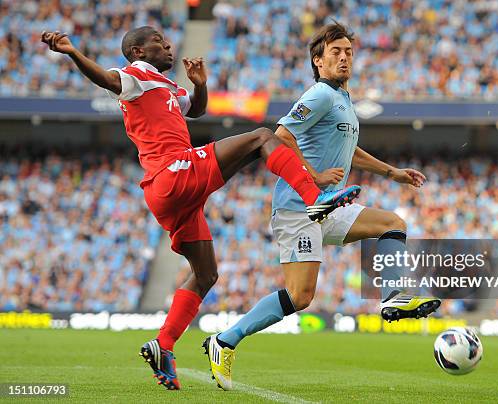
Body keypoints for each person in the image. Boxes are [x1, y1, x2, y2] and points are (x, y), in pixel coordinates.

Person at [41, 26, 360, 391]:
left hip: (171, 195)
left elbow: (198, 109)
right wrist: (72, 52)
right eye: (160, 42)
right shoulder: (136, 75)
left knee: (206, 273)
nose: (169, 45)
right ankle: (314, 200)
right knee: (262, 137)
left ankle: (163, 344)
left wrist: (201, 84)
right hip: (172, 172)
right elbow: (107, 79)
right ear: (139, 52)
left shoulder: (166, 87)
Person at [205, 22, 440, 391]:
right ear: (318, 61)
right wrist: (313, 174)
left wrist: (391, 171)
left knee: (393, 223)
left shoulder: (343, 100)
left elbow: (350, 151)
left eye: (348, 52)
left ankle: (393, 298)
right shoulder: (319, 94)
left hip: (327, 205)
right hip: (299, 208)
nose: (344, 57)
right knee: (300, 296)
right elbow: (281, 135)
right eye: (336, 52)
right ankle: (224, 340)